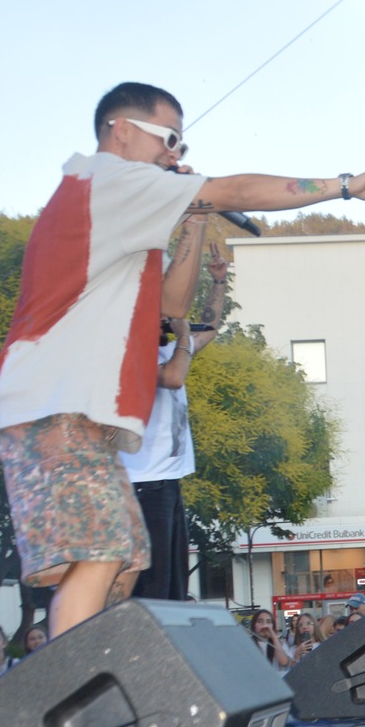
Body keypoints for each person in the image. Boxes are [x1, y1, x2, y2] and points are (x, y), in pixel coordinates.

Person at [0, 80, 365, 635]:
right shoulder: (107, 178)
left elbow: (172, 306)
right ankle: (67, 701)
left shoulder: (119, 205)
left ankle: (96, 681)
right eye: (168, 139)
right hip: (51, 400)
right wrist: (345, 186)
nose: (173, 155)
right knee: (99, 554)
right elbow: (237, 189)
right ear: (121, 129)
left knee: (121, 564)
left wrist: (194, 216)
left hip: (71, 410)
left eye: (181, 147)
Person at [123, 248, 224, 600]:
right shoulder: (126, 358)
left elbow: (209, 328)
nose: (167, 321)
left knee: (174, 581)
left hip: (166, 481)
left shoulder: (170, 351)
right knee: (152, 583)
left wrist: (218, 281)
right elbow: (173, 379)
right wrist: (181, 334)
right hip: (142, 483)